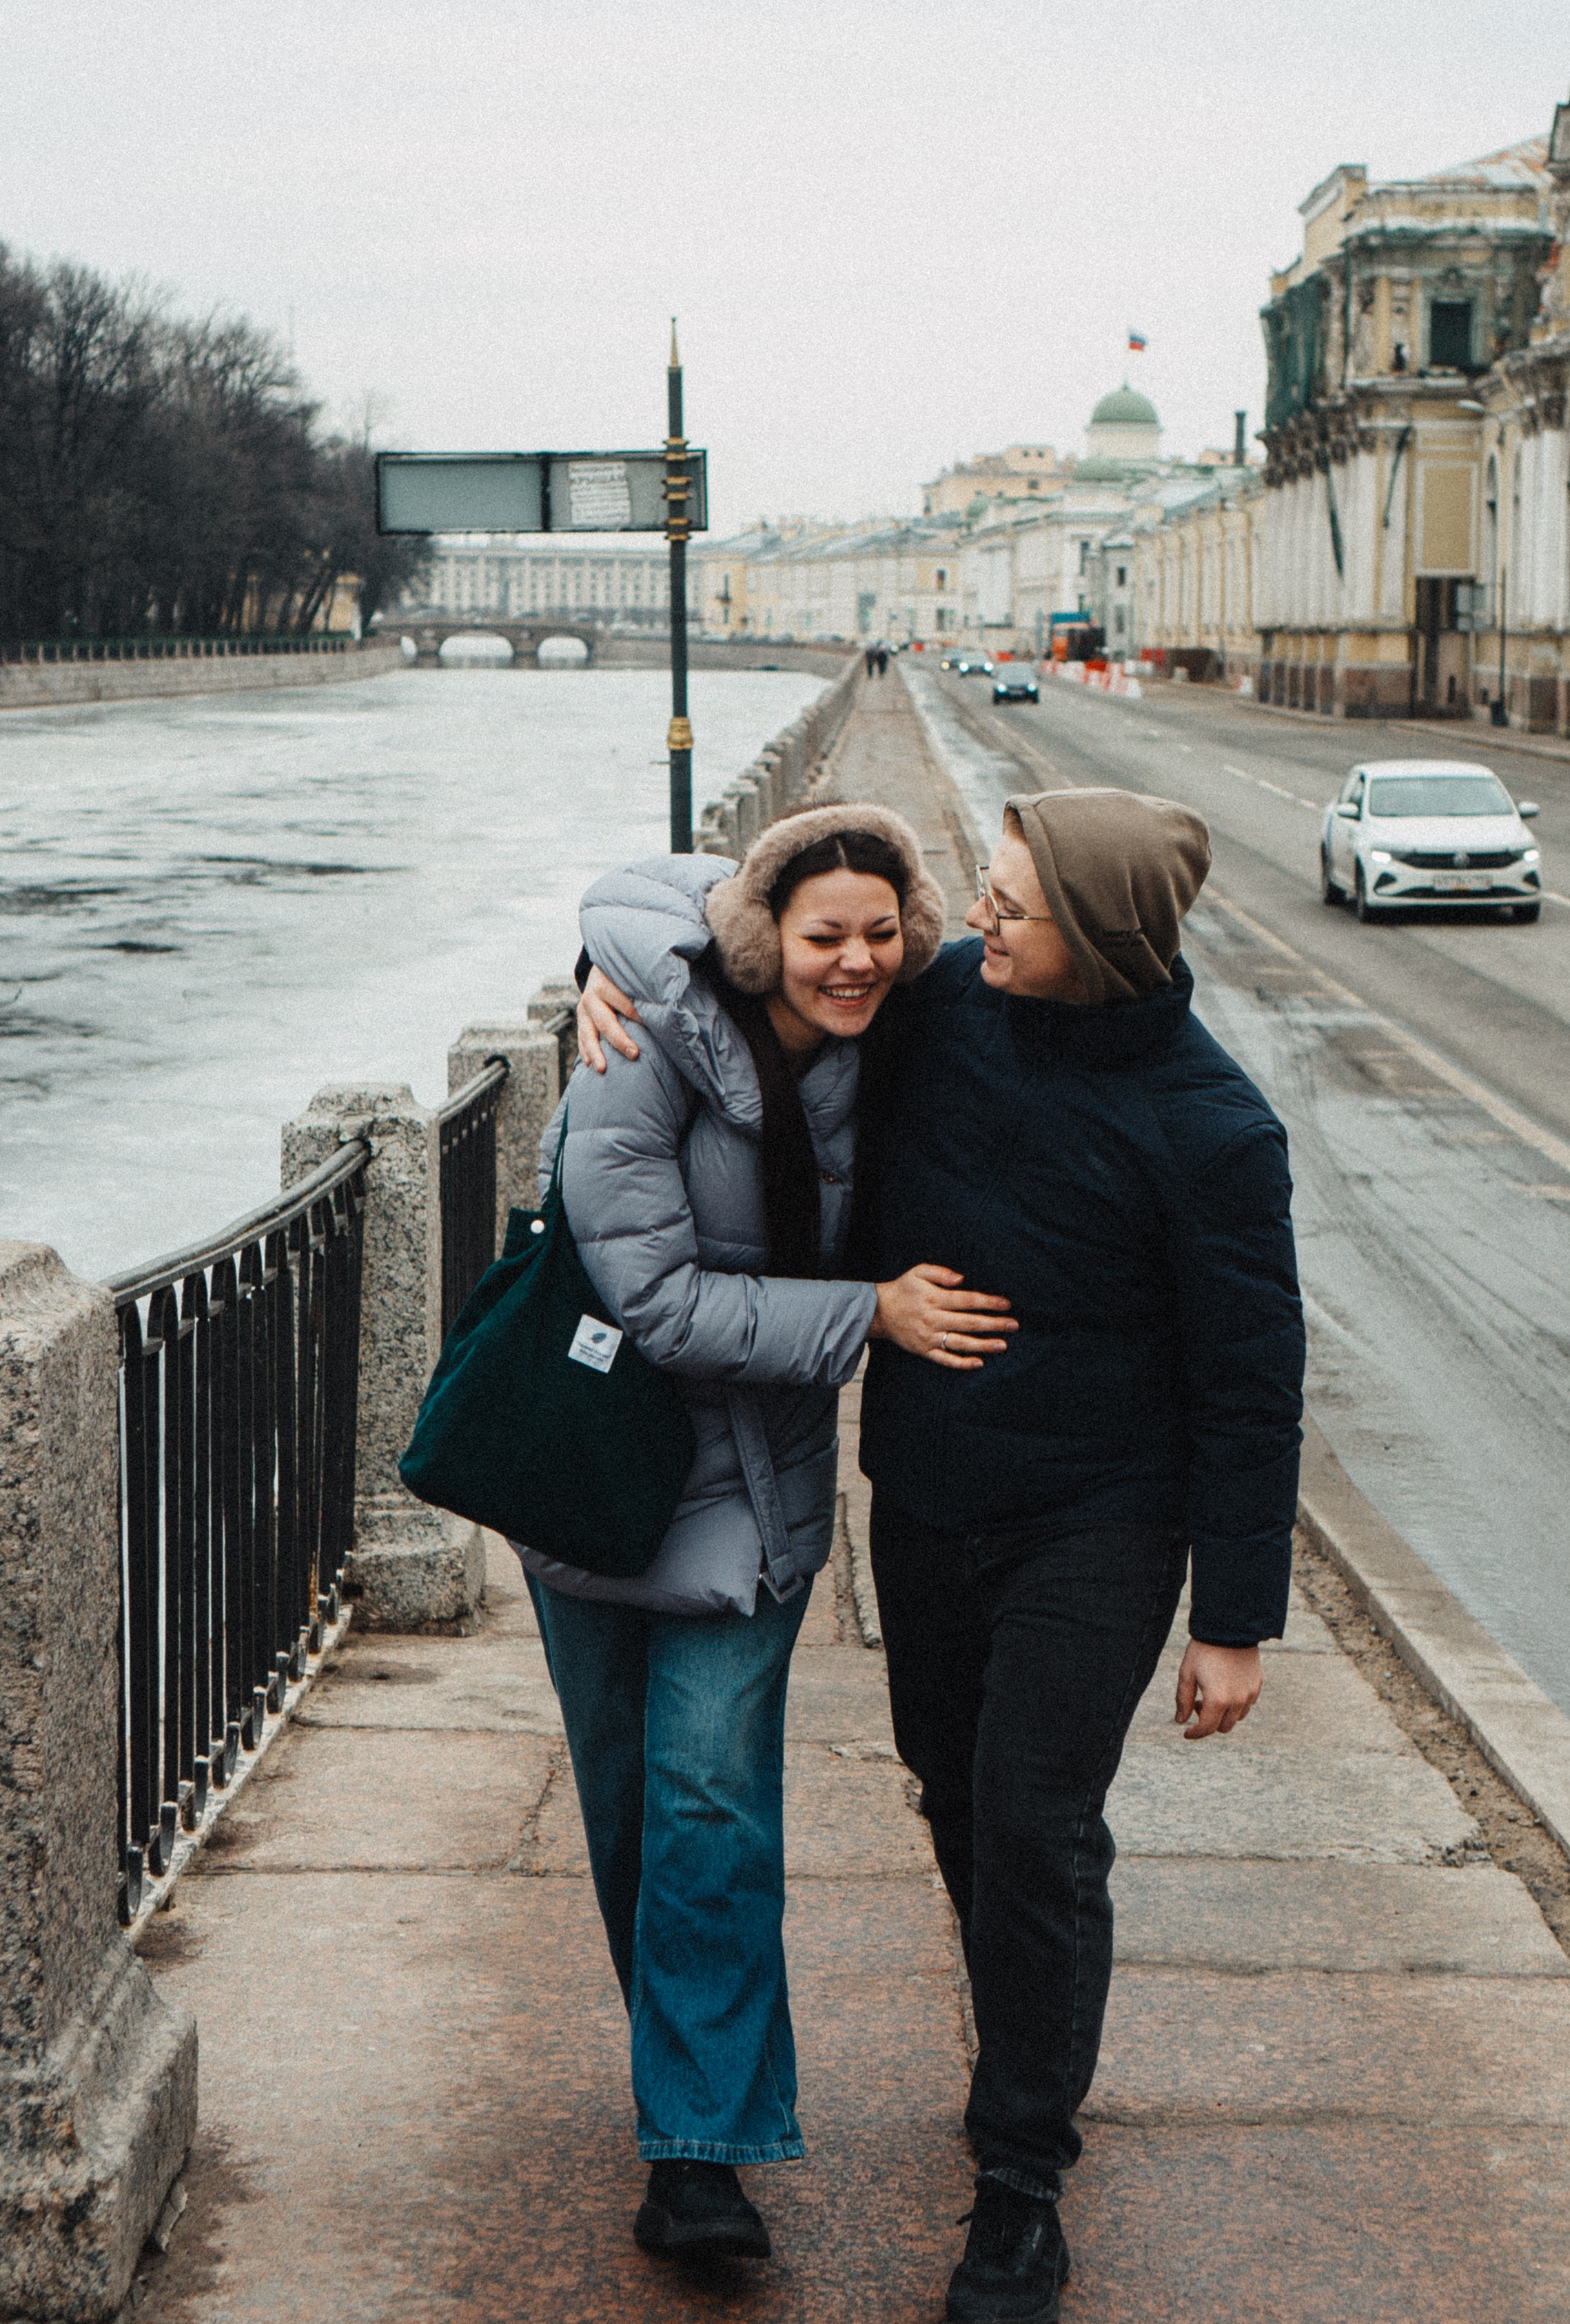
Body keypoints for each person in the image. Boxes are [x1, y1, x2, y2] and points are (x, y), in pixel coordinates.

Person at [578, 786, 1304, 2323]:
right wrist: (612, 983)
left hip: (1100, 1521)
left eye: (1014, 902)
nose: (977, 920)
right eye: (978, 892)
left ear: (1093, 937)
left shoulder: (1214, 1130)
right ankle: (1029, 2045)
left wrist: (1233, 1620)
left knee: (1037, 1826)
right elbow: (737, 926)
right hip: (922, 1501)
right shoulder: (946, 1002)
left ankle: (1018, 2183)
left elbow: (1250, 1380)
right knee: (956, 1798)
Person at [524, 802, 1016, 2269]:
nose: (852, 963)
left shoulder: (905, 1040)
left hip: (754, 1497)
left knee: (711, 1815)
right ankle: (686, 2081)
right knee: (627, 1811)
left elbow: (1068, 990)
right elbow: (653, 1301)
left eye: (879, 935)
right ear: (760, 938)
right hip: (593, 1466)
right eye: (822, 937)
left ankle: (700, 2158)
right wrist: (867, 1313)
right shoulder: (637, 1051)